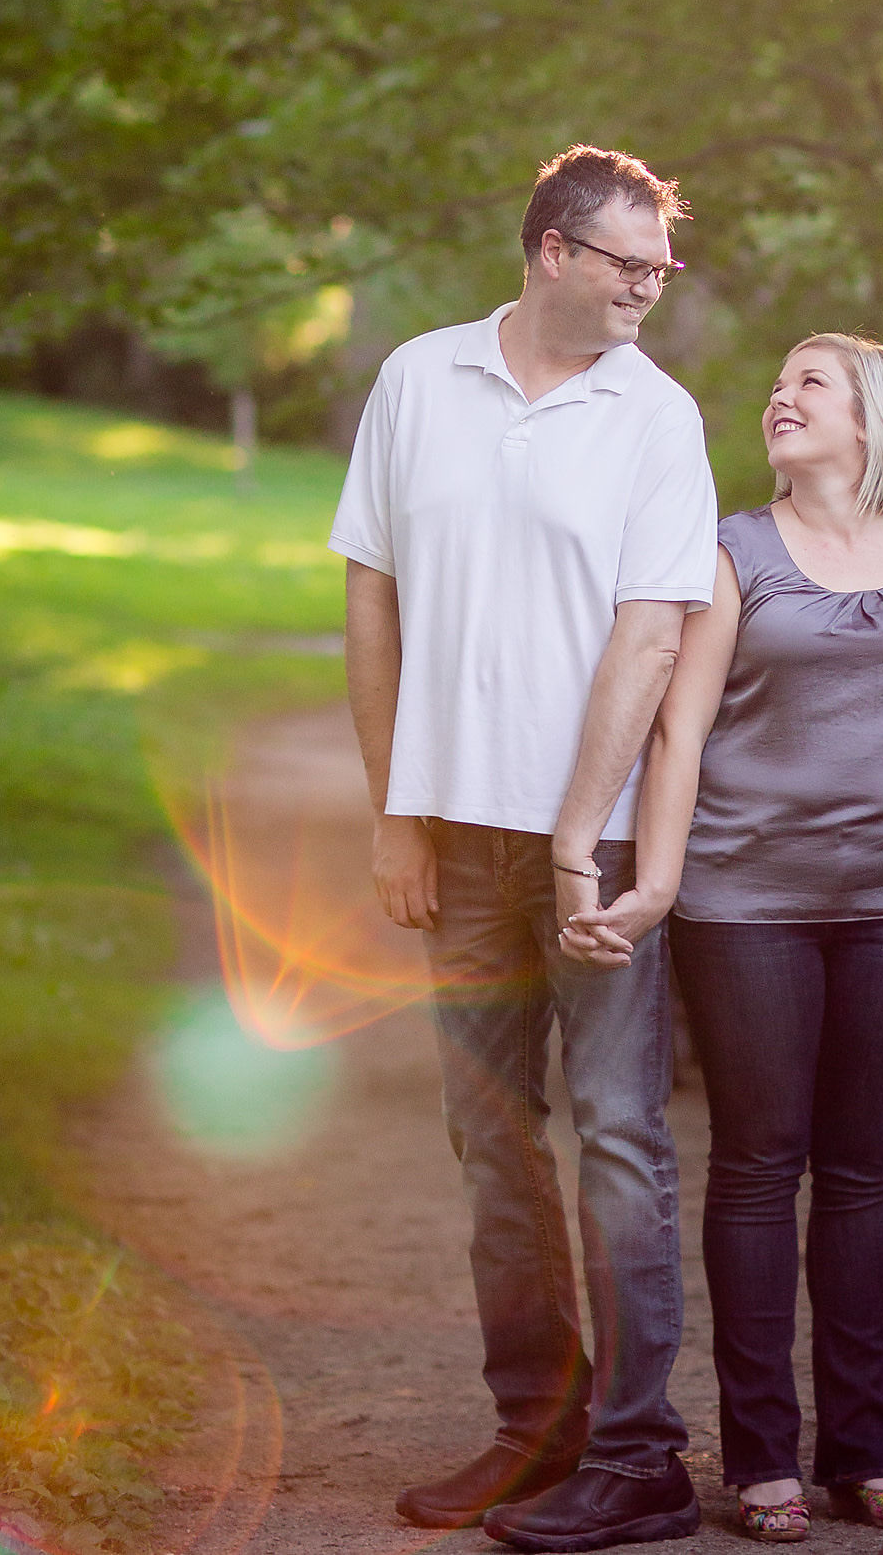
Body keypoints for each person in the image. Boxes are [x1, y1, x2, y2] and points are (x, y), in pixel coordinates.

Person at [332, 145, 718, 1550]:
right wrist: (398, 807)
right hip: (453, 836)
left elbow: (653, 631)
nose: (651, 288)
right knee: (490, 1141)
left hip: (597, 848)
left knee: (620, 1138)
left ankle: (640, 1457)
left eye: (663, 268)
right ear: (553, 250)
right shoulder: (419, 382)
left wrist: (575, 838)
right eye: (632, 264)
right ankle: (534, 1427)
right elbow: (370, 600)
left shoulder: (656, 418)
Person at [562, 333, 883, 1541]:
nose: (778, 398)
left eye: (810, 383)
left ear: (872, 417)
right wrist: (661, 880)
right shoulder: (734, 548)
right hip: (747, 905)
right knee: (760, 1166)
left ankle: (865, 1448)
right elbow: (679, 731)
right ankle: (762, 1463)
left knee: (862, 1172)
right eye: (780, 383)